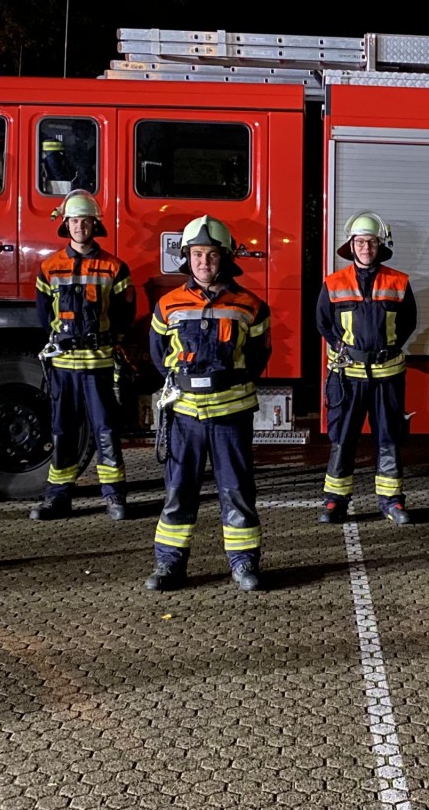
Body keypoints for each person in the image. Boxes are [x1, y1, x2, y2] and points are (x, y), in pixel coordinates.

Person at [144, 215, 272, 592]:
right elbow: (158, 354)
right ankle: (170, 564)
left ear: (225, 258)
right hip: (184, 415)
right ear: (187, 257)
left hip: (231, 414)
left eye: (212, 255)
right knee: (178, 491)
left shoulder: (251, 305)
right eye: (198, 254)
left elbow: (259, 356)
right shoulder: (167, 305)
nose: (204, 262)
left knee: (237, 490)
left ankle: (244, 562)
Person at [32, 189, 136, 521]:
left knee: (106, 431)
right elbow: (43, 315)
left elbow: (124, 313)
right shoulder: (49, 268)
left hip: (99, 364)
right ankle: (58, 496)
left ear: (95, 224)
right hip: (63, 366)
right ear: (66, 225)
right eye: (74, 221)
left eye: (85, 221)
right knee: (62, 431)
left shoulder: (114, 267)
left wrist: (109, 340)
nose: (80, 227)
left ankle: (114, 495)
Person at [316, 212, 418, 526]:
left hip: (387, 376)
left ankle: (392, 501)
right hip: (348, 377)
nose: (365, 248)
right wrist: (342, 347)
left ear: (380, 245)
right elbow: (323, 323)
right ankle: (335, 501)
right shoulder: (334, 283)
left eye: (371, 242)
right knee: (343, 439)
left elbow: (409, 322)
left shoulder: (399, 282)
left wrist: (387, 348)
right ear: (351, 245)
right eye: (360, 242)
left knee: (388, 439)